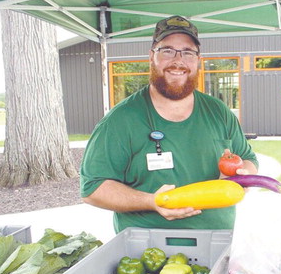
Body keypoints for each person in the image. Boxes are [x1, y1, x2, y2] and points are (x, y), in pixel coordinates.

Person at [80, 15, 259, 233]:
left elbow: (247, 158)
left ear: (198, 60)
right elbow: (93, 188)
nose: (178, 61)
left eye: (187, 52)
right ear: (151, 57)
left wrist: (240, 177)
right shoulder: (121, 120)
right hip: (147, 253)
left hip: (218, 242)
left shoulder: (218, 111)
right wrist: (151, 201)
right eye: (167, 51)